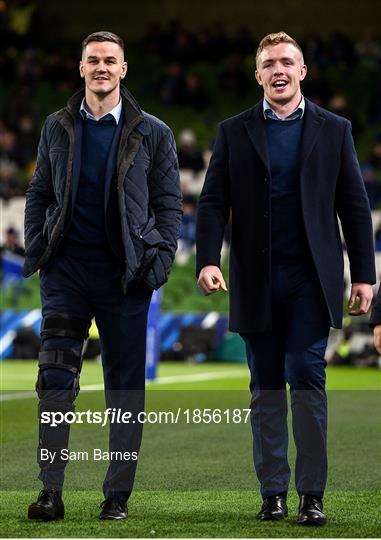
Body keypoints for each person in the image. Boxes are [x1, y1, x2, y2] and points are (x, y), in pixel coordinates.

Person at [196, 31, 375, 526]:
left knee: (308, 378)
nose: (278, 70)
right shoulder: (233, 131)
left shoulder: (334, 129)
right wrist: (208, 259)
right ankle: (272, 492)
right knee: (266, 387)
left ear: (302, 72)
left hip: (310, 280)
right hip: (255, 279)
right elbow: (212, 202)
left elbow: (354, 206)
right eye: (269, 63)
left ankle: (311, 494)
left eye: (287, 62)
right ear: (258, 75)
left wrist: (364, 274)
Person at [24, 31, 182, 521]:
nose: (101, 67)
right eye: (93, 60)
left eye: (110, 60)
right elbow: (39, 192)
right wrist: (40, 249)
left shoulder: (153, 132)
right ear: (81, 68)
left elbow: (169, 205)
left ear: (124, 69)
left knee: (125, 389)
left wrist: (155, 266)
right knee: (55, 380)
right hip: (67, 274)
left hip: (125, 280)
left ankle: (117, 495)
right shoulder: (57, 126)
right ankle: (51, 491)